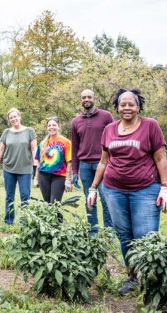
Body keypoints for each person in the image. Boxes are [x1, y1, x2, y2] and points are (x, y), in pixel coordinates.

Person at [87, 88, 167, 295]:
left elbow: (160, 158)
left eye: (131, 104)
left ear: (138, 106)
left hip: (145, 190)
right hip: (114, 191)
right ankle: (133, 277)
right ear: (117, 107)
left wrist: (165, 187)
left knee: (146, 237)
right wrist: (93, 188)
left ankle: (151, 279)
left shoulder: (150, 126)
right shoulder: (109, 130)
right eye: (122, 104)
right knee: (125, 236)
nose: (127, 108)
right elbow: (103, 161)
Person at [71, 89, 115, 234]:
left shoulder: (106, 116)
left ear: (94, 98)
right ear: (80, 100)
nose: (86, 99)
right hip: (84, 165)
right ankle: (93, 231)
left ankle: (108, 231)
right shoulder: (76, 121)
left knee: (105, 198)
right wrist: (75, 171)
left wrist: (113, 163)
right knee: (89, 199)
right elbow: (75, 147)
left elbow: (114, 139)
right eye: (83, 97)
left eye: (89, 97)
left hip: (102, 164)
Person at [0, 108, 37, 225]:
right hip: (9, 169)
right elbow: (1, 149)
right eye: (11, 118)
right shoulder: (6, 132)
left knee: (25, 197)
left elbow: (34, 149)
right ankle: (8, 220)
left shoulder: (29, 131)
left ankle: (25, 222)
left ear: (19, 116)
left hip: (25, 169)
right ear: (9, 120)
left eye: (15, 116)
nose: (14, 119)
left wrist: (35, 165)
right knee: (9, 197)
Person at [34, 116, 72, 209]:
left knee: (55, 204)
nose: (52, 127)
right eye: (49, 125)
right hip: (43, 176)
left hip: (59, 177)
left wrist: (68, 179)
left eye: (54, 125)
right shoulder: (42, 143)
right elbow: (38, 162)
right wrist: (36, 178)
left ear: (59, 127)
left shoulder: (66, 142)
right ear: (47, 128)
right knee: (47, 205)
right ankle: (54, 223)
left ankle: (58, 222)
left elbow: (69, 162)